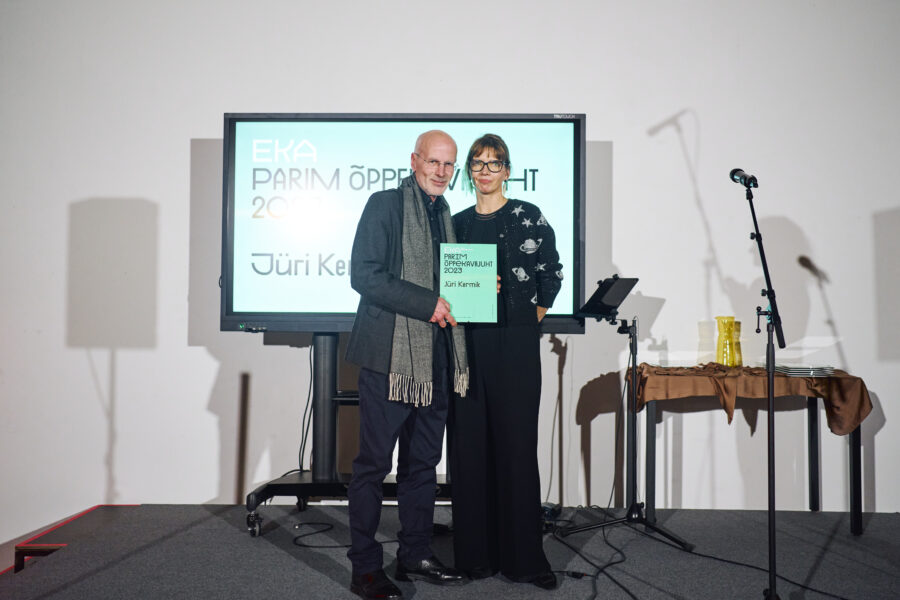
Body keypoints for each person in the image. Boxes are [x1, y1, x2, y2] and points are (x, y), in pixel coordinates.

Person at [345, 130, 470, 600]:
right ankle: (365, 569)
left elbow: (451, 282)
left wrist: (482, 286)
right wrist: (427, 303)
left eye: (449, 164)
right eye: (433, 162)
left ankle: (415, 554)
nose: (441, 172)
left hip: (436, 358)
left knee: (422, 466)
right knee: (373, 467)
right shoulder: (385, 204)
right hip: (390, 360)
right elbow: (365, 275)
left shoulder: (446, 215)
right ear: (414, 161)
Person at [449, 133, 563, 590]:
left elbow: (551, 274)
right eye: (477, 163)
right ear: (469, 171)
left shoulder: (528, 216)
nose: (485, 171)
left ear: (507, 171)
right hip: (467, 347)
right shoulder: (455, 223)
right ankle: (474, 557)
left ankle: (524, 561)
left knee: (516, 449)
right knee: (469, 450)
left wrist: (522, 319)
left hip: (515, 347)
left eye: (494, 163)